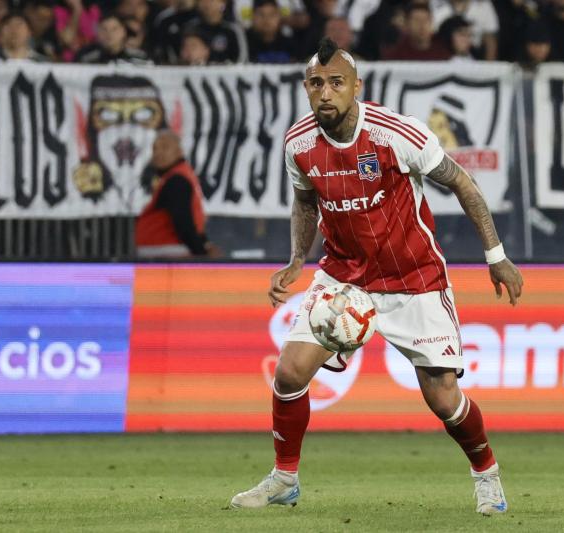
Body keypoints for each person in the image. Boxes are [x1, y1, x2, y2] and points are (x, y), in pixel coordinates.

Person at [230, 37, 523, 516]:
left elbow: (461, 182)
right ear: (306, 88)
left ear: (356, 87)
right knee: (289, 372)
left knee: (444, 398)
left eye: (336, 83)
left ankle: (485, 473)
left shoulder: (395, 133)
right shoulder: (299, 144)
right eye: (315, 83)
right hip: (344, 279)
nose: (325, 93)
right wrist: (297, 261)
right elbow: (306, 202)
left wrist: (497, 255)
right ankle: (284, 478)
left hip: (414, 278)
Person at [135, 130, 218, 259]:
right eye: (154, 149)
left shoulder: (177, 180)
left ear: (180, 152)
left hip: (167, 255)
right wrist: (203, 246)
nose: (158, 153)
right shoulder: (179, 176)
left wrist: (201, 254)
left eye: (165, 147)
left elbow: (183, 222)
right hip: (165, 252)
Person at [381, 3, 451, 60]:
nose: (422, 25)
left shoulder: (444, 52)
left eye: (426, 20)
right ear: (407, 25)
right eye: (416, 20)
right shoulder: (395, 55)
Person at [75, 13, 151, 64]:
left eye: (114, 29)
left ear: (123, 32)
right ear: (98, 32)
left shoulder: (141, 58)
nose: (109, 34)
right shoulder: (86, 60)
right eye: (104, 29)